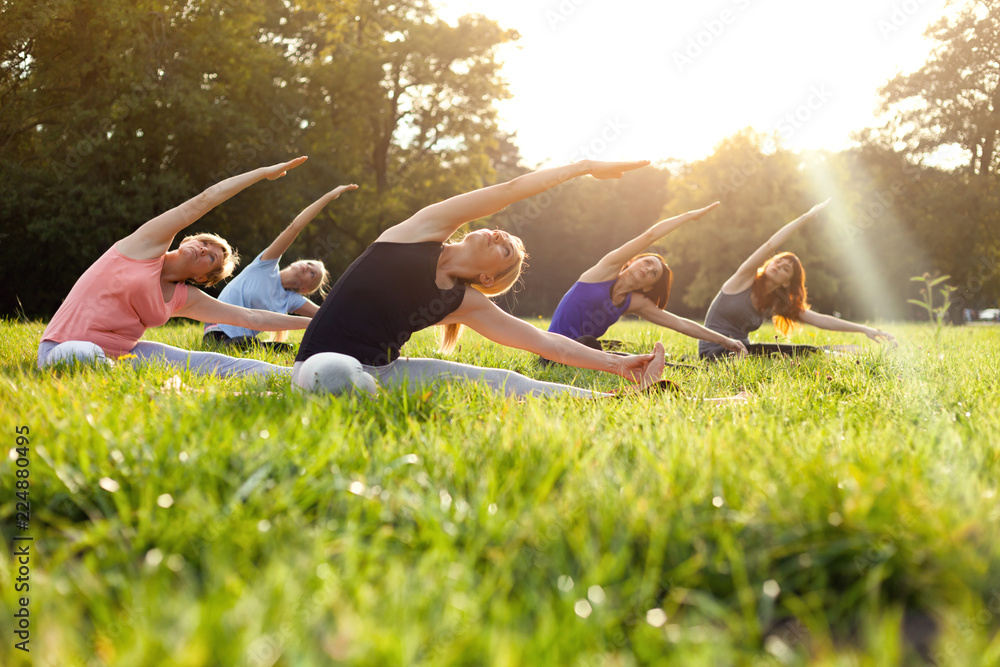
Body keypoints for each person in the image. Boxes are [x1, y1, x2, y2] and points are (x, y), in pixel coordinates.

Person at [292, 160, 673, 398]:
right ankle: (369, 397)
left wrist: (622, 364)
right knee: (338, 374)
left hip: (384, 372)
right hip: (319, 364)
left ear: (487, 276)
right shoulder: (420, 231)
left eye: (505, 249)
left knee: (507, 381)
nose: (499, 235)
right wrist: (580, 167)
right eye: (503, 234)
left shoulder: (463, 302)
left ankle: (620, 398)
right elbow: (508, 192)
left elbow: (547, 343)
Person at [37, 158, 314, 377]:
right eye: (205, 243)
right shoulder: (143, 248)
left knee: (212, 362)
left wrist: (315, 322)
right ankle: (110, 375)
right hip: (63, 348)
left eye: (211, 258)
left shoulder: (184, 297)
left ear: (202, 276)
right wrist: (262, 173)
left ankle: (294, 376)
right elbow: (203, 200)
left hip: (123, 353)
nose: (204, 249)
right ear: (190, 238)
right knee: (85, 355)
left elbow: (253, 319)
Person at [545, 201, 748, 360]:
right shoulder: (604, 271)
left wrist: (725, 341)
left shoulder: (633, 302)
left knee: (626, 356)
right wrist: (688, 217)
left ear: (649, 286)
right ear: (633, 260)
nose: (648, 269)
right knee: (593, 345)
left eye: (653, 274)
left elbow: (680, 324)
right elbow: (650, 235)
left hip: (583, 353)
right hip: (551, 351)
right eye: (648, 262)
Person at [698, 199, 897, 360]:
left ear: (786, 282)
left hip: (742, 353)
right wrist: (805, 217)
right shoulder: (742, 280)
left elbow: (820, 320)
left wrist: (864, 329)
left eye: (785, 269)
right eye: (777, 262)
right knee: (807, 354)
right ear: (768, 263)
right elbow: (769, 245)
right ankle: (846, 356)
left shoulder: (774, 301)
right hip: (714, 354)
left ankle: (856, 355)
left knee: (807, 351)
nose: (778, 266)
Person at [203, 184, 358, 352]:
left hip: (244, 343)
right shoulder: (265, 266)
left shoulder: (290, 300)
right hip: (217, 335)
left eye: (313, 273)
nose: (308, 267)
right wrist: (327, 197)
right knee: (250, 344)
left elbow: (326, 316)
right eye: (309, 263)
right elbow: (295, 227)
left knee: (290, 349)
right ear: (297, 262)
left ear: (304, 288)